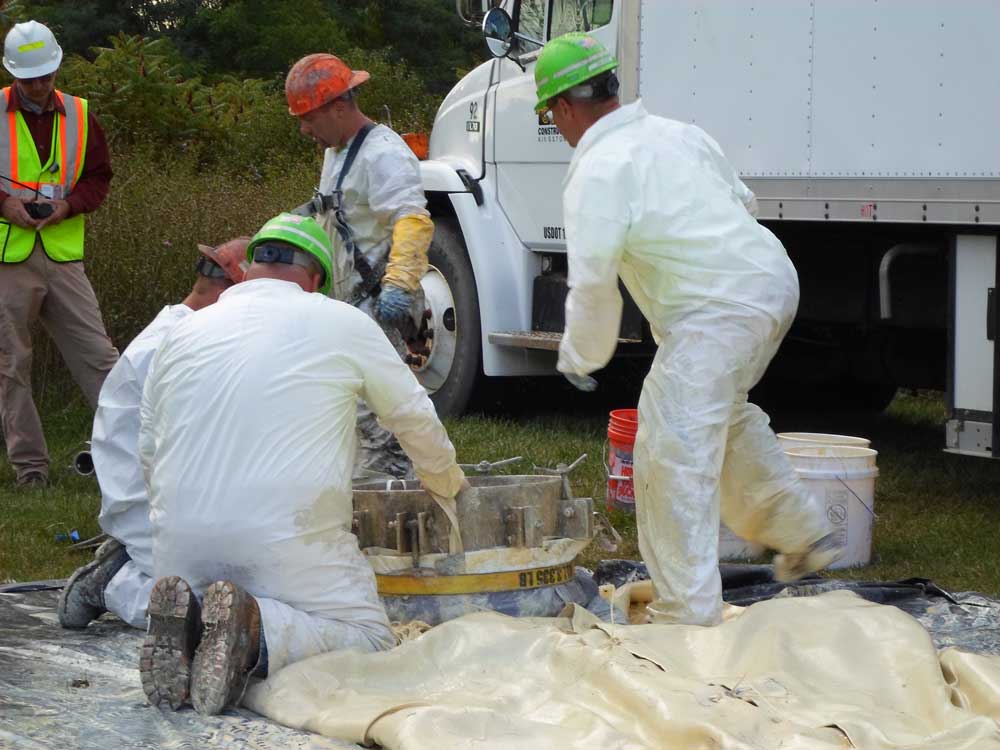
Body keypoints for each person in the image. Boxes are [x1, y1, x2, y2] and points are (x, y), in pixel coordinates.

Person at [533, 33, 841, 627]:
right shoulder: (678, 134)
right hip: (769, 279)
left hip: (717, 309)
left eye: (552, 115)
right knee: (722, 415)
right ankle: (799, 533)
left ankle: (686, 616)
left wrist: (580, 355)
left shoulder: (598, 168)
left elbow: (593, 282)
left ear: (564, 108)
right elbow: (737, 203)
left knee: (670, 448)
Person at [138, 213, 467, 715]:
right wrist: (451, 488)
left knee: (209, 590)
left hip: (179, 551)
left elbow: (148, 449)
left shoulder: (182, 333)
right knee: (371, 636)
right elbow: (414, 418)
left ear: (248, 271)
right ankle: (257, 631)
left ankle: (198, 622)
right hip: (283, 544)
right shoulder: (342, 322)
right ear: (317, 281)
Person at [56, 239, 249, 631]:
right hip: (149, 512)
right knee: (211, 619)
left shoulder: (188, 331)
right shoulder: (173, 347)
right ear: (230, 292)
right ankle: (115, 582)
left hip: (172, 502)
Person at [285, 52, 435, 479]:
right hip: (354, 305)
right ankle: (376, 498)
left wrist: (400, 285)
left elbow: (412, 219)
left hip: (383, 301)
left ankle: (398, 503)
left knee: (383, 420)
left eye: (309, 118)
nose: (304, 129)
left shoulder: (383, 154)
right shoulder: (338, 150)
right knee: (356, 412)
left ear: (339, 107)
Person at [0, 20, 118, 488]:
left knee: (99, 357)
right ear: (13, 74)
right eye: (29, 78)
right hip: (8, 258)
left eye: (45, 76)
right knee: (11, 364)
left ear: (56, 68)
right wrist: (5, 205)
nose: (38, 85)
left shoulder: (82, 114)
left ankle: (132, 451)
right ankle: (31, 471)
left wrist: (69, 205)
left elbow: (99, 178)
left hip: (64, 255)